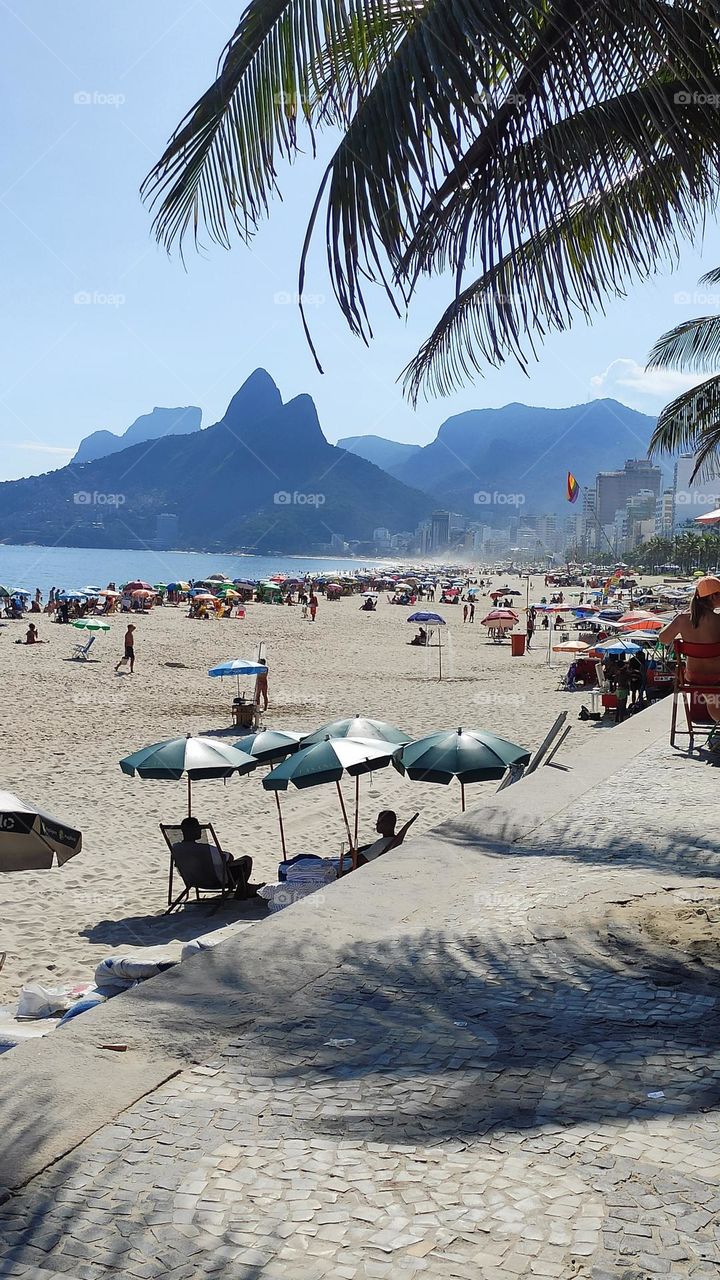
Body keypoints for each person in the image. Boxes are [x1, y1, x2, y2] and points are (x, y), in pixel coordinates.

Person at [659, 576, 720, 723]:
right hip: (717, 677)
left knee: (712, 697)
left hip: (693, 677)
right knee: (713, 696)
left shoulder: (682, 619)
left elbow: (663, 639)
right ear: (713, 596)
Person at [171, 816, 255, 898]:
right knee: (246, 859)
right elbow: (228, 858)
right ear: (193, 831)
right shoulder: (205, 849)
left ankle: (246, 887)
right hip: (215, 881)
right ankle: (242, 891)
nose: (200, 830)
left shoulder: (176, 848)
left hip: (193, 880)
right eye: (198, 828)